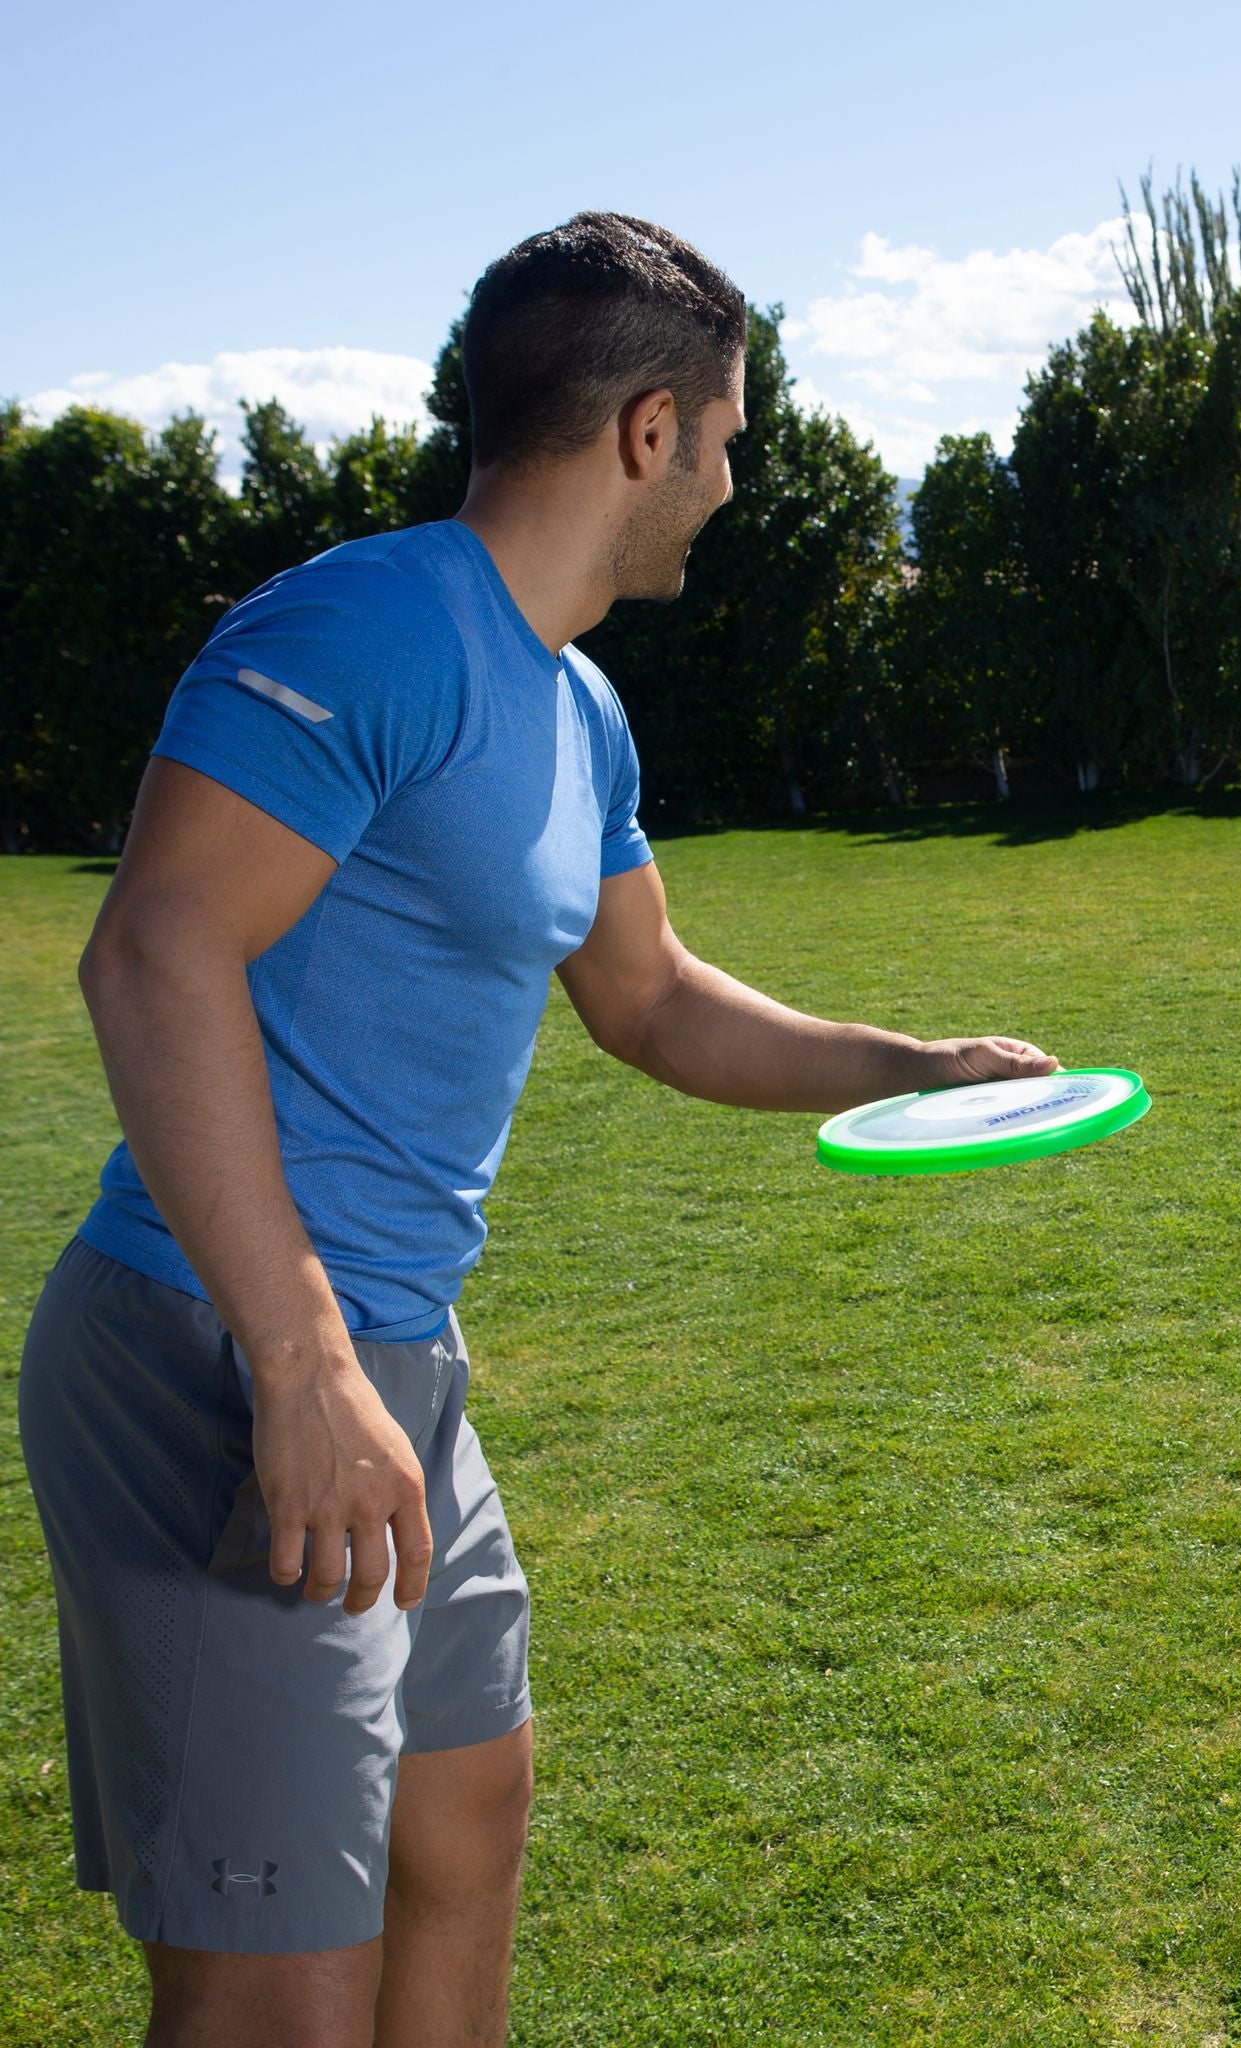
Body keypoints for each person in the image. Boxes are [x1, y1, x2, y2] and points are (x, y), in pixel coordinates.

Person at [15, 213, 1056, 2047]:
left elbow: (648, 998)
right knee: (278, 1996)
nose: (733, 482)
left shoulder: (576, 703)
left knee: (464, 1821)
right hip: (224, 1350)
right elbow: (153, 951)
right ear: (646, 432)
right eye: (727, 437)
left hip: (394, 1366)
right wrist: (299, 1358)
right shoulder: (368, 621)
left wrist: (906, 1062)